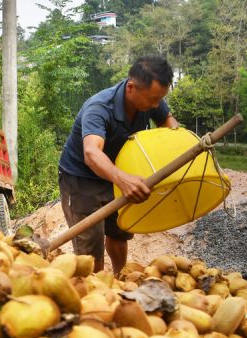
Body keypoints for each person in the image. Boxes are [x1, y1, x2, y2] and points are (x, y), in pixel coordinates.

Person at [58, 54, 179, 275]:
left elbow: (169, 125)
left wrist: (179, 145)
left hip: (119, 169)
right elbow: (92, 153)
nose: (156, 105)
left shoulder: (152, 98)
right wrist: (123, 179)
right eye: (153, 99)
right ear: (131, 88)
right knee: (90, 247)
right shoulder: (99, 108)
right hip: (82, 179)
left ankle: (121, 277)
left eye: (159, 99)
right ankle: (95, 289)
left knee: (119, 232)